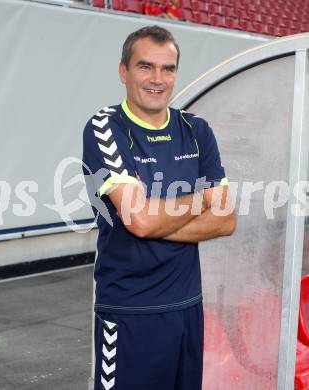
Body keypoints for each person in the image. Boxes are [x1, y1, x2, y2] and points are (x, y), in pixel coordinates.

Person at [82, 25, 236, 390]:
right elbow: (139, 220)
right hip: (130, 314)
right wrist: (201, 200)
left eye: (168, 69)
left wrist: (154, 218)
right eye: (145, 66)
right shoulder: (105, 128)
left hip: (187, 309)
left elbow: (227, 219)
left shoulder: (196, 130)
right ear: (124, 72)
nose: (157, 78)